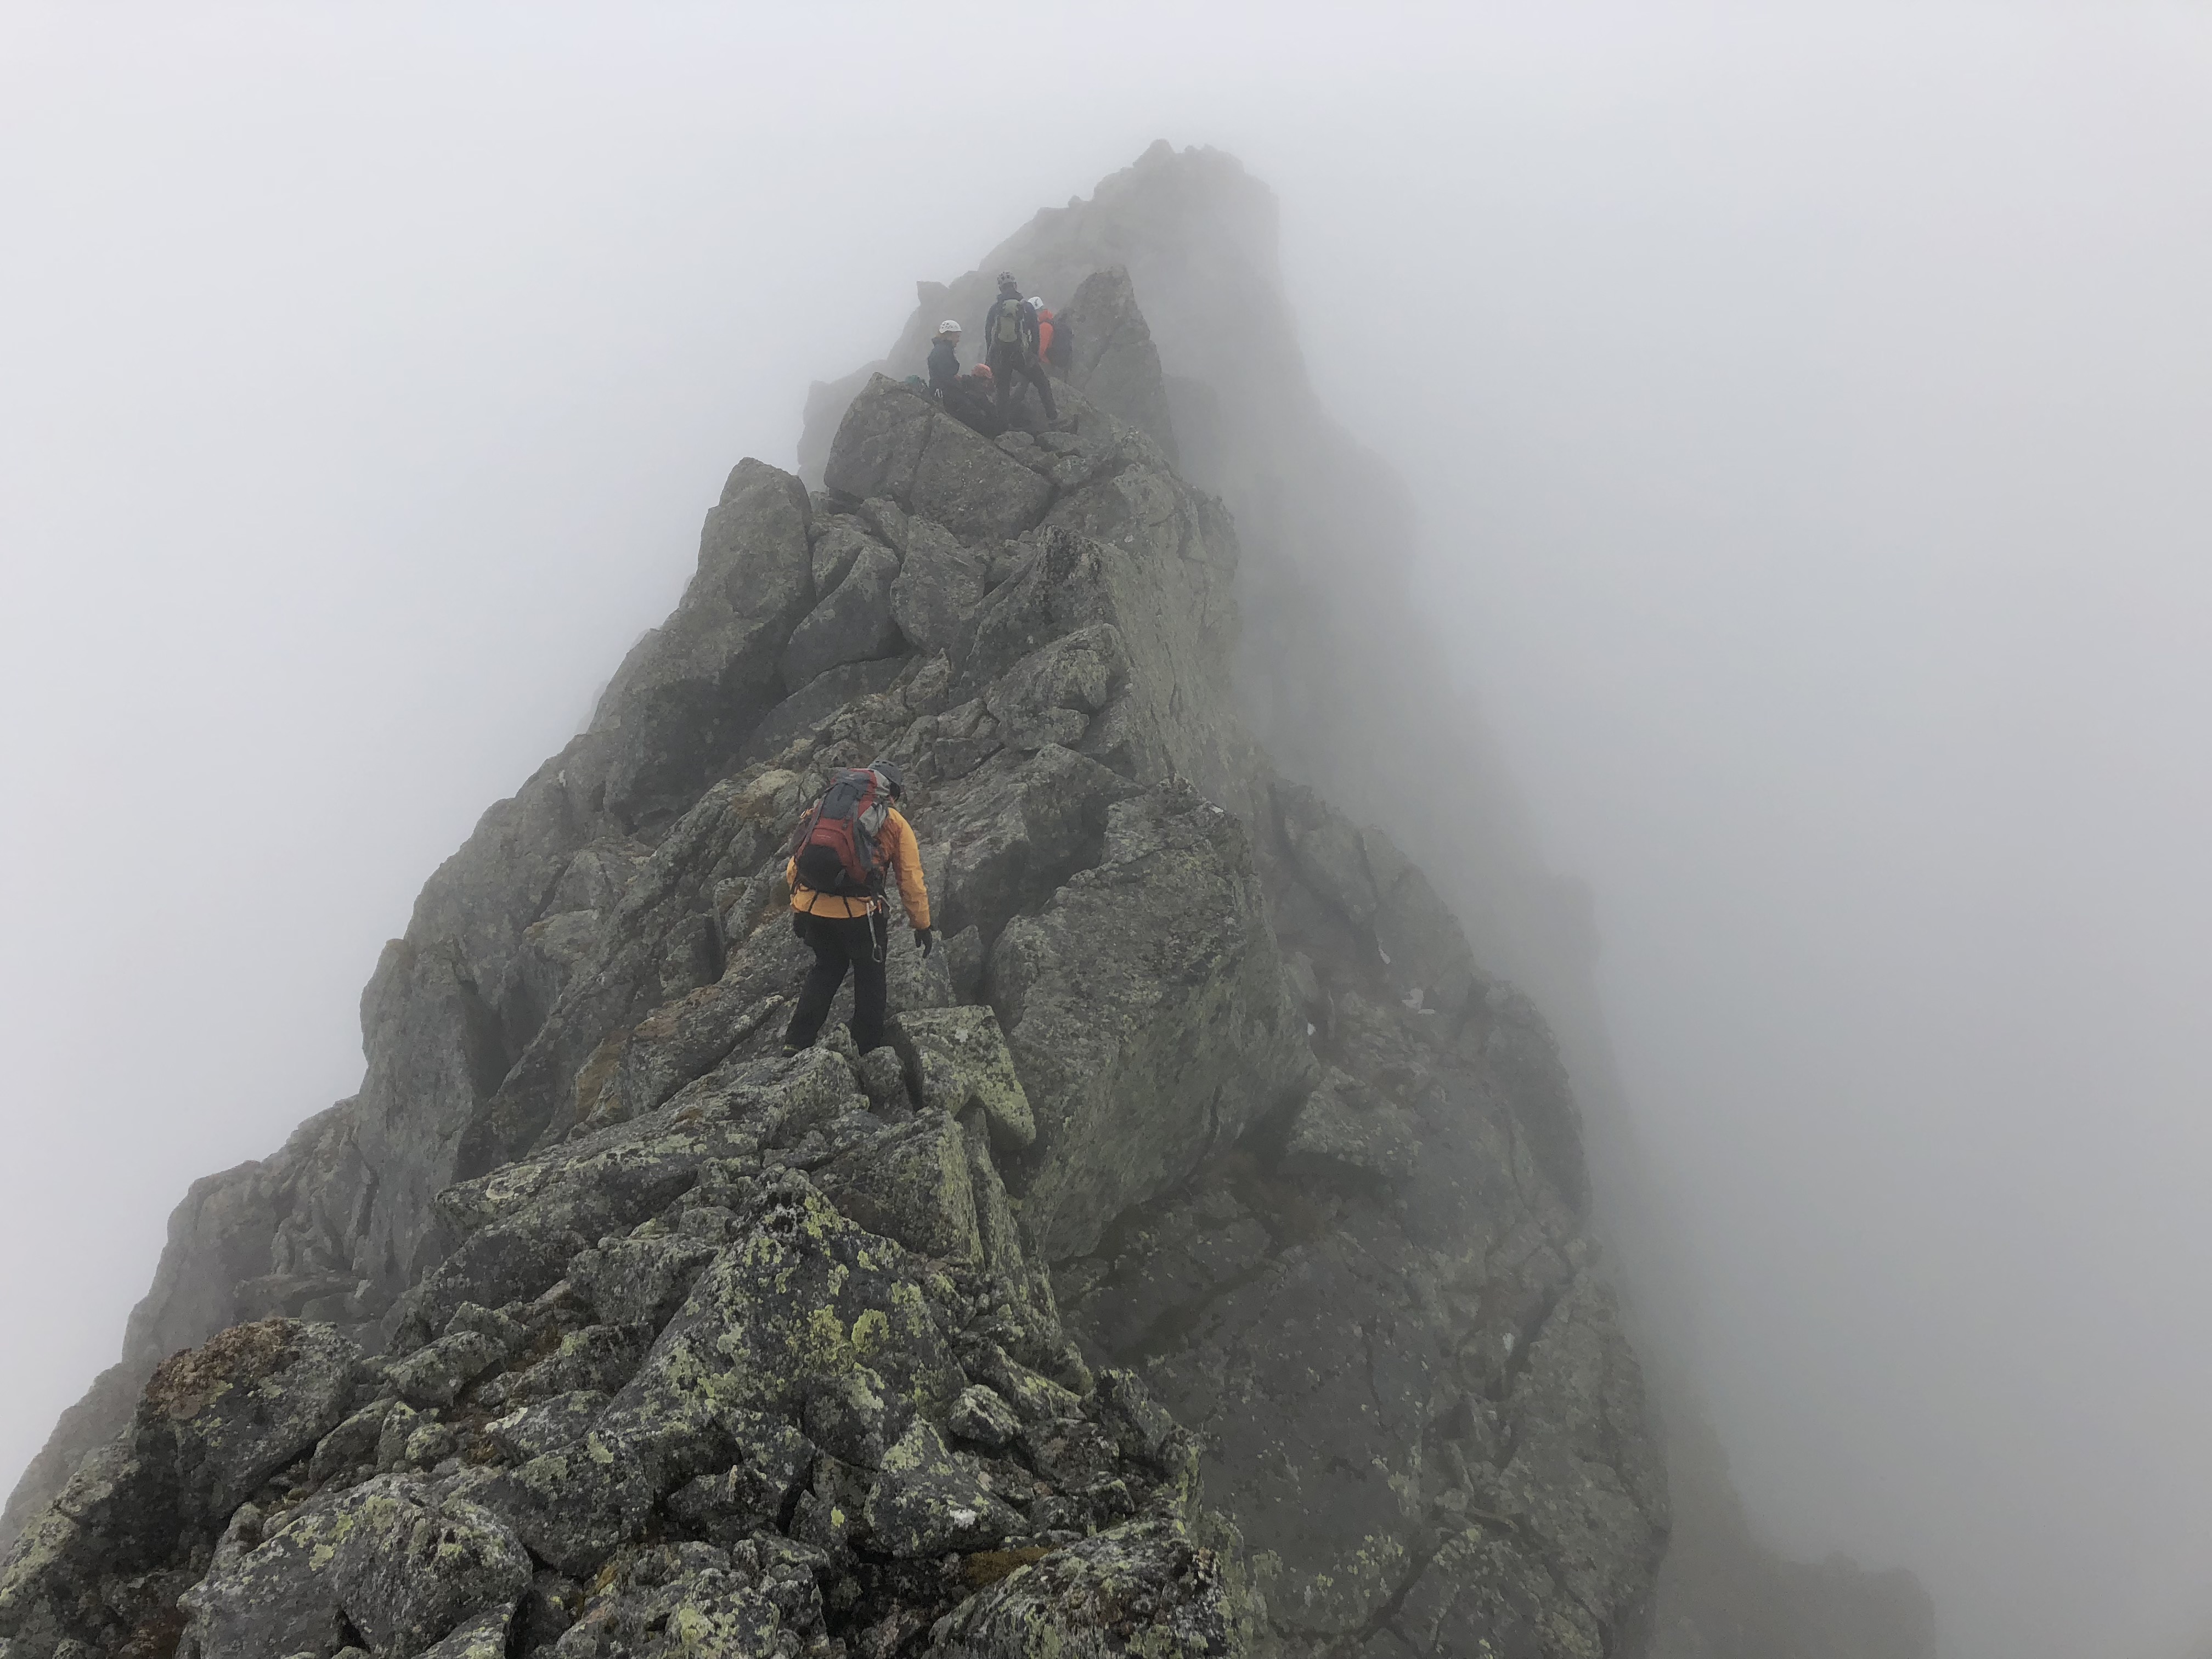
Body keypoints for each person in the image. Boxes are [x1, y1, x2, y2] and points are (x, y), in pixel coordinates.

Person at [780, 761, 933, 1056]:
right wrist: (922, 925)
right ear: (892, 792)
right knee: (870, 977)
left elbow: (797, 864)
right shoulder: (894, 822)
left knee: (826, 969)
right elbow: (910, 880)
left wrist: (799, 907)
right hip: (860, 914)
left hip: (813, 908)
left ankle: (796, 1041)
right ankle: (867, 1050)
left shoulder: (824, 809)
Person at [981, 270, 1057, 423]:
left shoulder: (995, 309)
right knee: (1041, 382)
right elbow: (1035, 332)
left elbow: (989, 335)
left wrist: (992, 359)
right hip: (1021, 354)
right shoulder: (1026, 307)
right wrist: (1034, 355)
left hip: (1002, 355)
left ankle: (1002, 426)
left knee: (1003, 390)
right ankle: (1053, 417)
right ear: (1015, 286)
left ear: (1000, 289)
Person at [927, 320, 963, 396]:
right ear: (949, 336)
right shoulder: (943, 351)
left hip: (939, 391)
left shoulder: (941, 349)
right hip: (944, 393)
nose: (958, 340)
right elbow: (946, 377)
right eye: (957, 336)